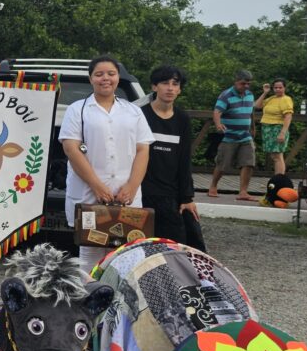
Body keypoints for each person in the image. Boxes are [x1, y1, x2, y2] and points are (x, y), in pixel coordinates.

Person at [59, 55, 153, 269]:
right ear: (91, 78)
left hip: (126, 194)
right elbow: (71, 149)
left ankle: (121, 300)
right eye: (99, 74)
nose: (105, 79)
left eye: (111, 74)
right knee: (90, 252)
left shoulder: (133, 111)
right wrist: (97, 186)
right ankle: (90, 299)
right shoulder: (77, 109)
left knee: (126, 255)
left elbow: (142, 149)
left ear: (118, 77)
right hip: (90, 192)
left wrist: (131, 186)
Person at [139, 65, 199, 245]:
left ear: (180, 89)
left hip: (169, 196)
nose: (170, 88)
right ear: (154, 87)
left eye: (175, 84)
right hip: (141, 193)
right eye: (165, 83)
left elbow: (184, 160)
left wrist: (187, 198)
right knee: (140, 247)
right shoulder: (140, 115)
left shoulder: (182, 119)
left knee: (173, 248)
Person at [209, 69, 257, 202]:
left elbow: (251, 113)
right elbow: (217, 111)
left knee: (249, 162)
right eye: (243, 84)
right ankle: (213, 186)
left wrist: (253, 127)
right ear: (236, 82)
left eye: (248, 84)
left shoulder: (250, 95)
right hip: (228, 136)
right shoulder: (226, 95)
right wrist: (218, 124)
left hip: (245, 136)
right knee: (223, 163)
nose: (246, 86)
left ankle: (243, 192)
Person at [255, 78, 295, 175]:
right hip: (267, 129)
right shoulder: (272, 98)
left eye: (280, 87)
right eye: (275, 88)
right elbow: (257, 106)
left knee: (278, 155)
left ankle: (279, 179)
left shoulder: (286, 99)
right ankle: (277, 177)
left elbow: (288, 116)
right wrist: (265, 93)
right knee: (274, 156)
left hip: (278, 128)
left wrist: (282, 133)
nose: (277, 89)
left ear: (284, 88)